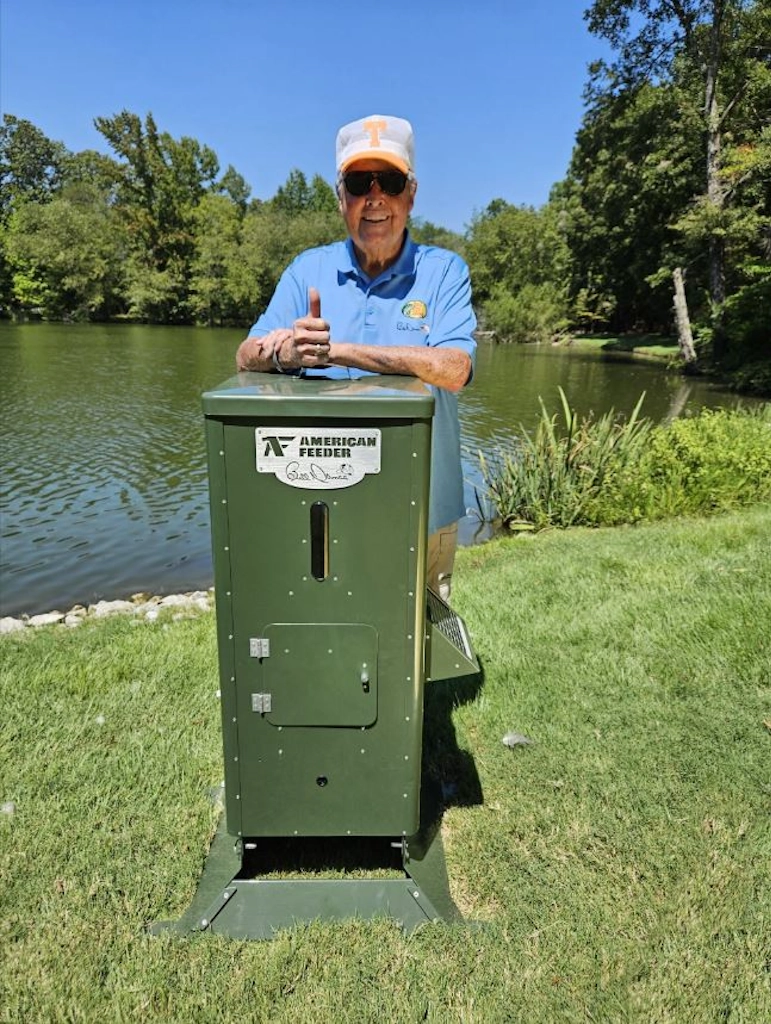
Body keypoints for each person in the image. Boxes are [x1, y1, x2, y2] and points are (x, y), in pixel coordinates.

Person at [236, 114, 477, 599]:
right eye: (357, 182)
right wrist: (285, 352)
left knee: (418, 644)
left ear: (410, 194)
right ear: (340, 196)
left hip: (423, 508)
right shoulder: (308, 269)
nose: (375, 198)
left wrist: (339, 351)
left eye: (388, 181)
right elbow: (246, 355)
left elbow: (454, 370)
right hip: (320, 505)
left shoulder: (445, 272)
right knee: (332, 636)